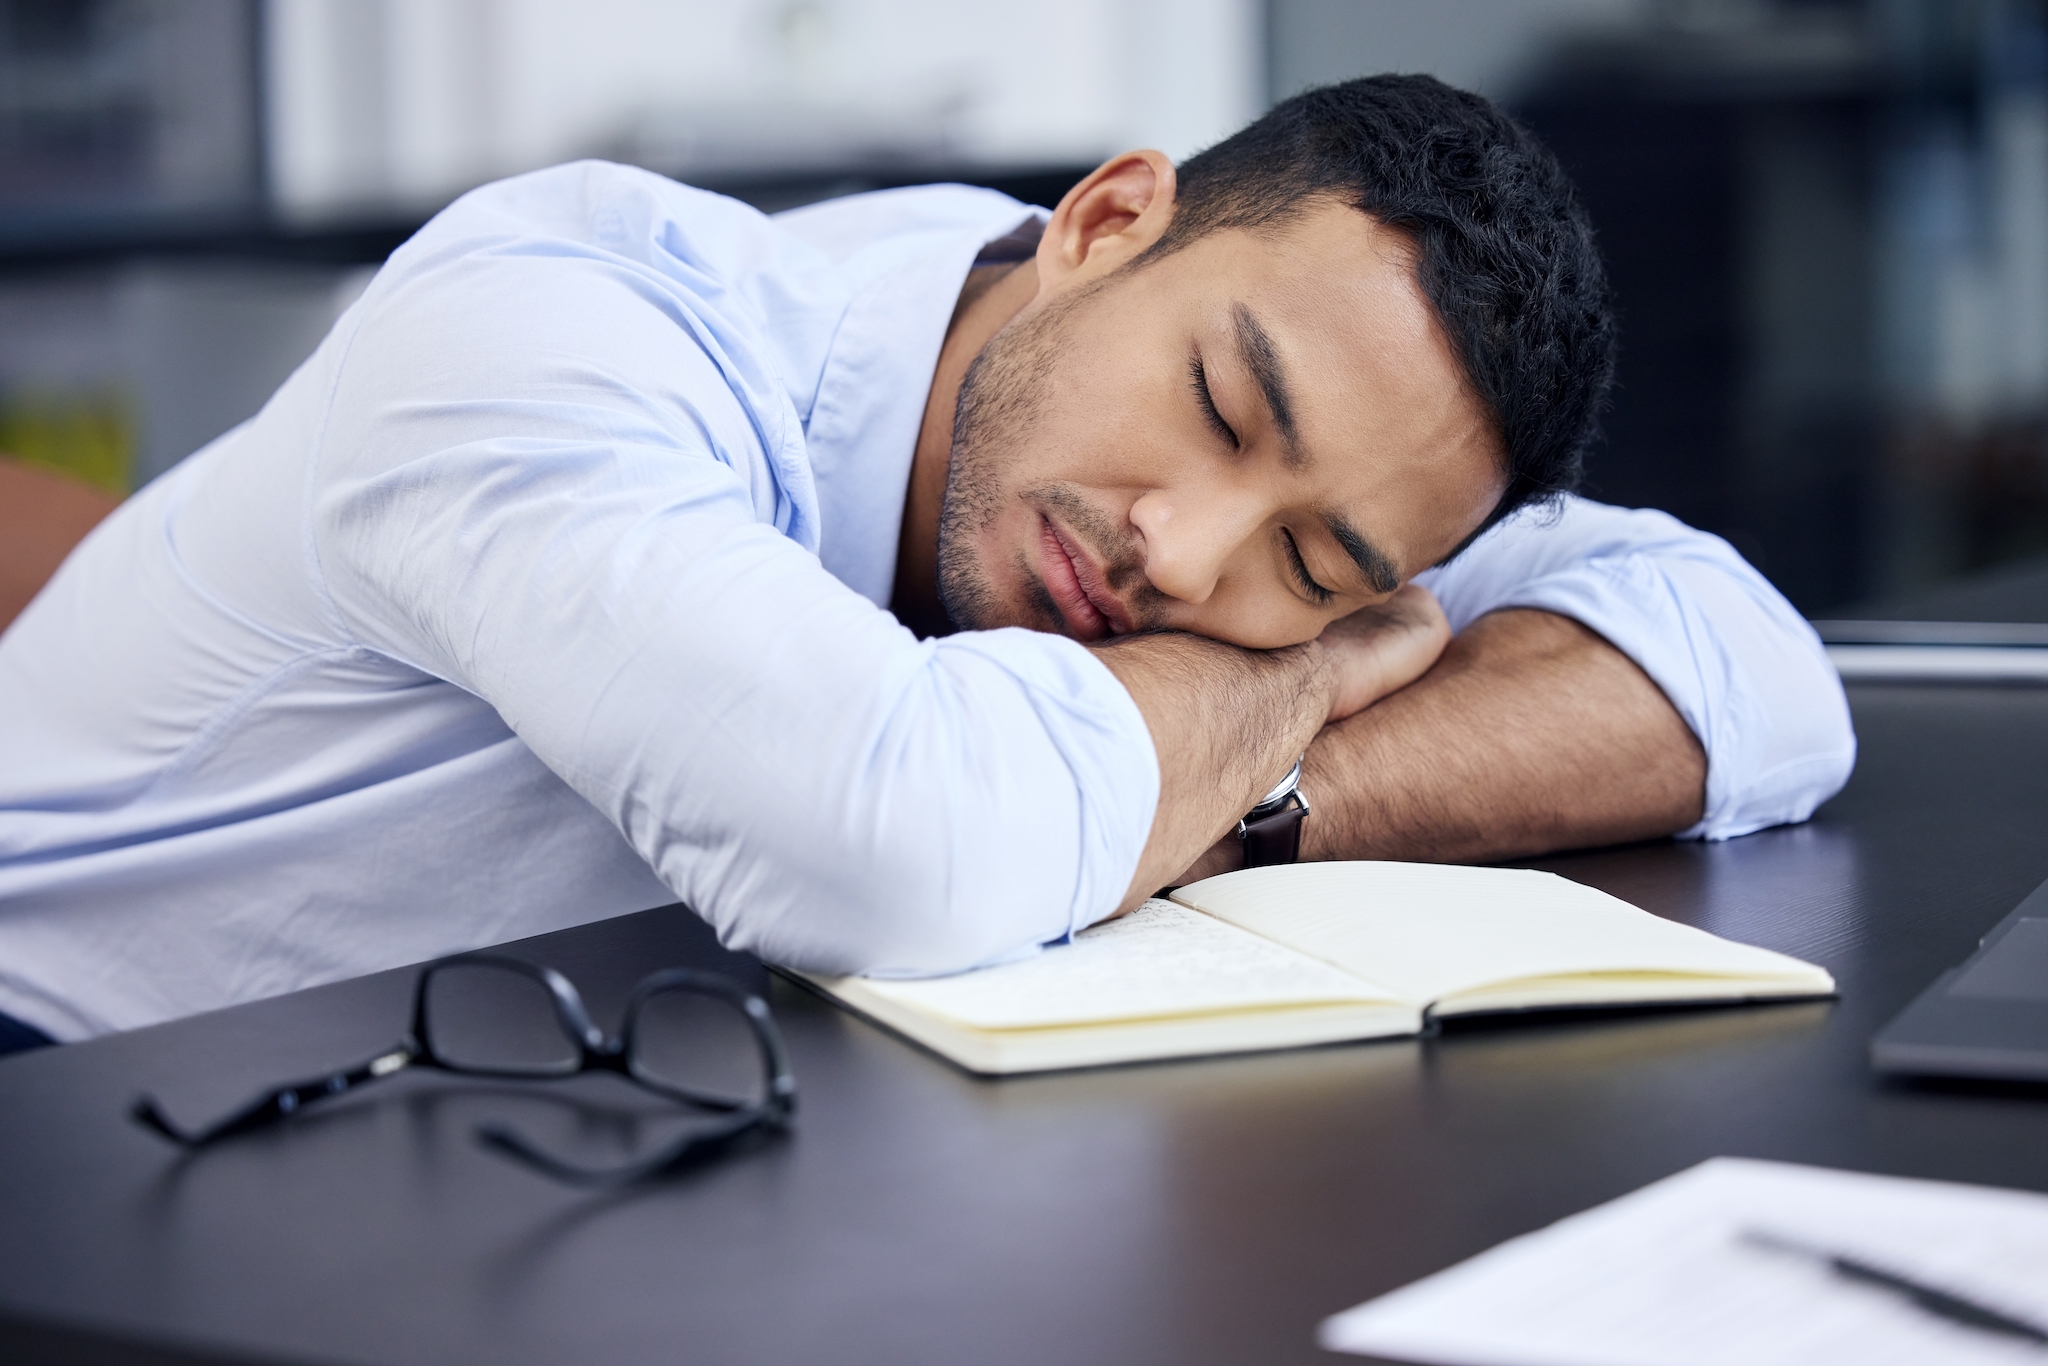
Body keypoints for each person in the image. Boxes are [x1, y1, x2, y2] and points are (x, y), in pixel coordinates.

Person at [0, 77, 1853, 1048]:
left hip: (545, 1091)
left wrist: (1259, 787)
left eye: (1316, 557)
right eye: (1219, 404)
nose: (1180, 552)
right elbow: (890, 841)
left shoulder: (1358, 449)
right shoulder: (554, 325)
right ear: (1109, 220)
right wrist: (1282, 664)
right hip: (91, 1115)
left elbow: (1751, 666)